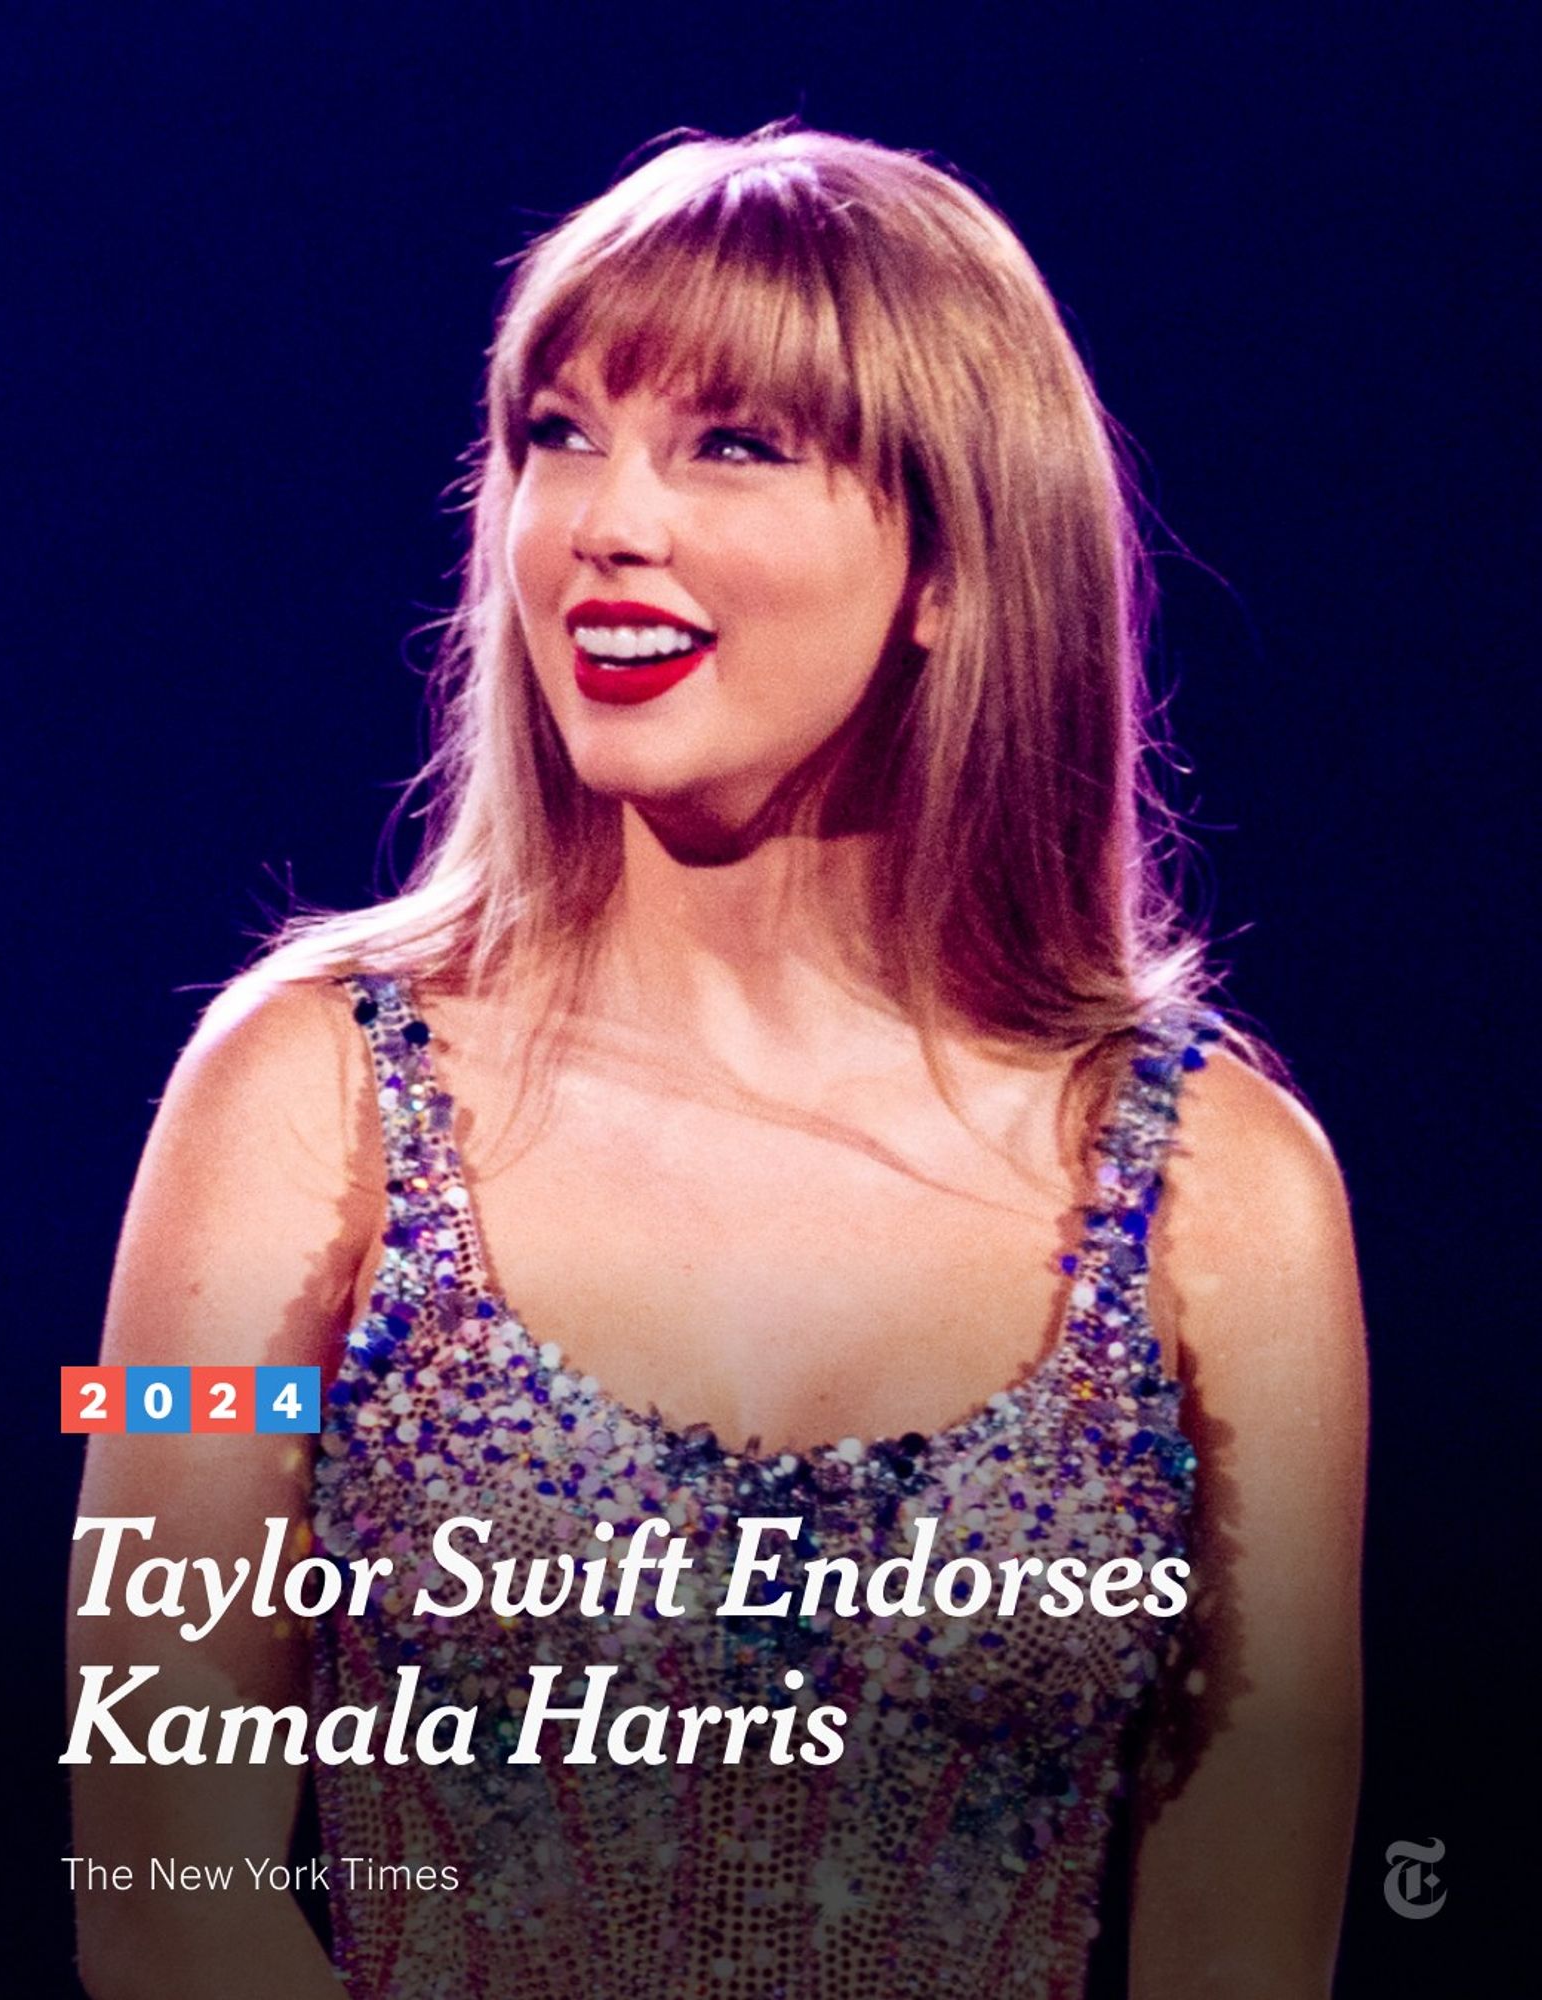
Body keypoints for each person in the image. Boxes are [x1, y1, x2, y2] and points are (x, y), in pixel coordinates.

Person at [69, 125, 1368, 2000]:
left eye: (730, 446)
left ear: (948, 559)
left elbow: (1249, 1938)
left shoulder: (1220, 1185)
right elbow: (153, 1868)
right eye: (559, 434)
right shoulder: (303, 1093)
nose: (606, 518)